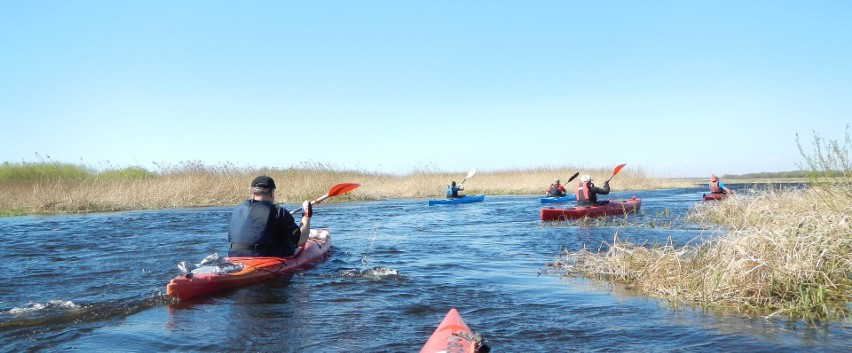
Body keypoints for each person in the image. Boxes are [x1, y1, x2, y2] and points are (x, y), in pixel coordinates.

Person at [227, 175, 312, 257]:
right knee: (291, 243)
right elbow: (301, 240)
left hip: (234, 255)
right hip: (265, 257)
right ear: (272, 192)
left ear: (252, 193)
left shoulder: (238, 209)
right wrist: (306, 214)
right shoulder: (278, 212)